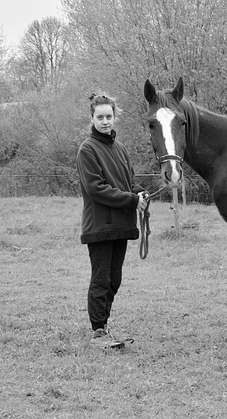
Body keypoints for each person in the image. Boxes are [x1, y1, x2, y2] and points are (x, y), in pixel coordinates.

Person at [76, 93, 148, 349]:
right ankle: (97, 332)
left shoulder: (120, 149)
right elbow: (96, 188)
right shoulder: (87, 150)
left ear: (114, 117)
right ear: (92, 118)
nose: (105, 121)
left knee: (113, 279)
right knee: (101, 279)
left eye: (109, 117)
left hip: (121, 224)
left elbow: (128, 182)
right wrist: (131, 200)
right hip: (100, 225)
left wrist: (139, 192)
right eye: (100, 117)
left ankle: (103, 327)